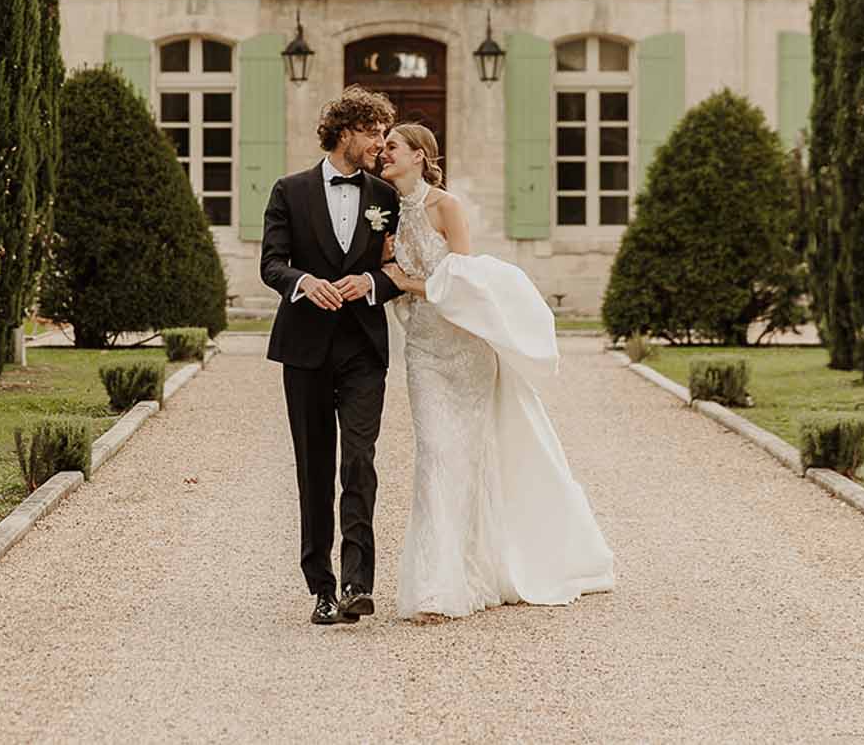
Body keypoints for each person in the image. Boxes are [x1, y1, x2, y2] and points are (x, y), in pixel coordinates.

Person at [378, 122, 616, 622]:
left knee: (472, 456)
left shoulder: (447, 207)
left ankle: (480, 568)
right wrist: (387, 273)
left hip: (464, 349)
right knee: (437, 456)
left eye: (392, 147)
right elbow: (389, 276)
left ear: (420, 155)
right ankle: (438, 586)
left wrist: (409, 283)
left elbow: (466, 281)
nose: (383, 154)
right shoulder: (385, 213)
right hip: (422, 350)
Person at [259, 86, 403, 626]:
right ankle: (320, 586)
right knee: (314, 467)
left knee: (359, 461)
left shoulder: (386, 198)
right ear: (345, 132)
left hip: (363, 347)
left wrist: (368, 281)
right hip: (306, 348)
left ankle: (357, 584)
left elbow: (400, 268)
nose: (382, 145)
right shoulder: (289, 191)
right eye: (374, 133)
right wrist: (304, 283)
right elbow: (271, 264)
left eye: (386, 135)